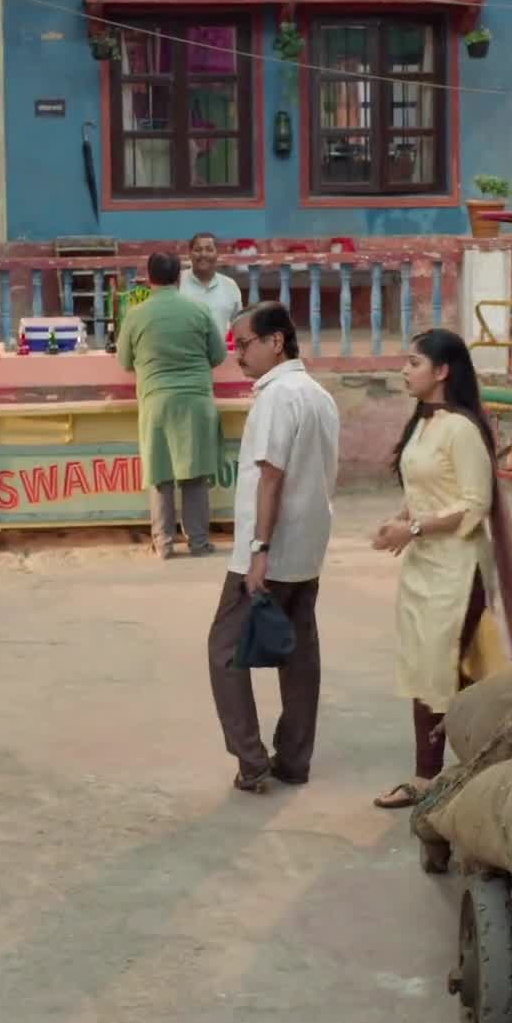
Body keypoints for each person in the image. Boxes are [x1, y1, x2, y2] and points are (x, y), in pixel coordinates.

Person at [369, 330, 512, 809]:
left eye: (414, 363)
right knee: (447, 672)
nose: (405, 370)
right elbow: (426, 488)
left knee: (439, 672)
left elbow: (474, 504)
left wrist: (414, 528)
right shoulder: (423, 423)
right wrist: (400, 520)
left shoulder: (463, 429)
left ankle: (429, 777)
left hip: (458, 568)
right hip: (424, 566)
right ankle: (496, 768)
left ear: (442, 371)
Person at [206, 301, 339, 794]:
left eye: (243, 344)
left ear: (275, 341)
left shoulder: (278, 396)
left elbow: (271, 478)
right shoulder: (318, 395)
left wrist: (259, 550)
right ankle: (294, 760)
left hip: (271, 549)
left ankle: (252, 759)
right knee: (299, 654)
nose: (238, 355)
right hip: (307, 546)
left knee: (224, 649)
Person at [117, 251, 226, 559]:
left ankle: (163, 544)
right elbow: (218, 355)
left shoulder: (136, 315)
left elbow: (124, 361)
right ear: (179, 277)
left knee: (160, 474)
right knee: (195, 474)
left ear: (148, 278)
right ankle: (198, 543)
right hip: (196, 401)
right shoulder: (199, 310)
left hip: (156, 401)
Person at [180, 232, 244, 340]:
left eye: (209, 249)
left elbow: (239, 325)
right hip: (183, 350)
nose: (203, 254)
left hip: (220, 350)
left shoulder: (230, 285)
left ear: (217, 254)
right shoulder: (177, 282)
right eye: (198, 250)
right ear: (189, 253)